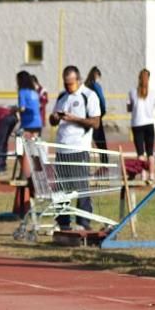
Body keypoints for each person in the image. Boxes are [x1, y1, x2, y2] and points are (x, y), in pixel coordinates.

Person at [49, 65, 102, 231]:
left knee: (81, 186)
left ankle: (83, 221)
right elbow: (52, 121)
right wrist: (55, 117)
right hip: (61, 148)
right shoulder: (62, 96)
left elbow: (96, 122)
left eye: (70, 84)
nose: (67, 87)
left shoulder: (89, 96)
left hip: (79, 148)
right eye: (65, 84)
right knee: (61, 187)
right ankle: (63, 222)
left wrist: (74, 119)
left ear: (78, 80)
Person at [127, 68, 155, 185]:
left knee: (140, 152)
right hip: (149, 124)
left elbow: (129, 108)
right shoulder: (154, 93)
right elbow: (153, 106)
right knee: (150, 152)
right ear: (148, 78)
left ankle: (143, 175)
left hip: (137, 124)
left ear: (139, 78)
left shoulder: (132, 92)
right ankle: (152, 176)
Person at [85, 66, 108, 160]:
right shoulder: (96, 86)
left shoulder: (85, 86)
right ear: (97, 75)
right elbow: (102, 100)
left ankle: (85, 162)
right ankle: (104, 163)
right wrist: (103, 112)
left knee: (86, 141)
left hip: (85, 117)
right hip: (95, 116)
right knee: (100, 141)